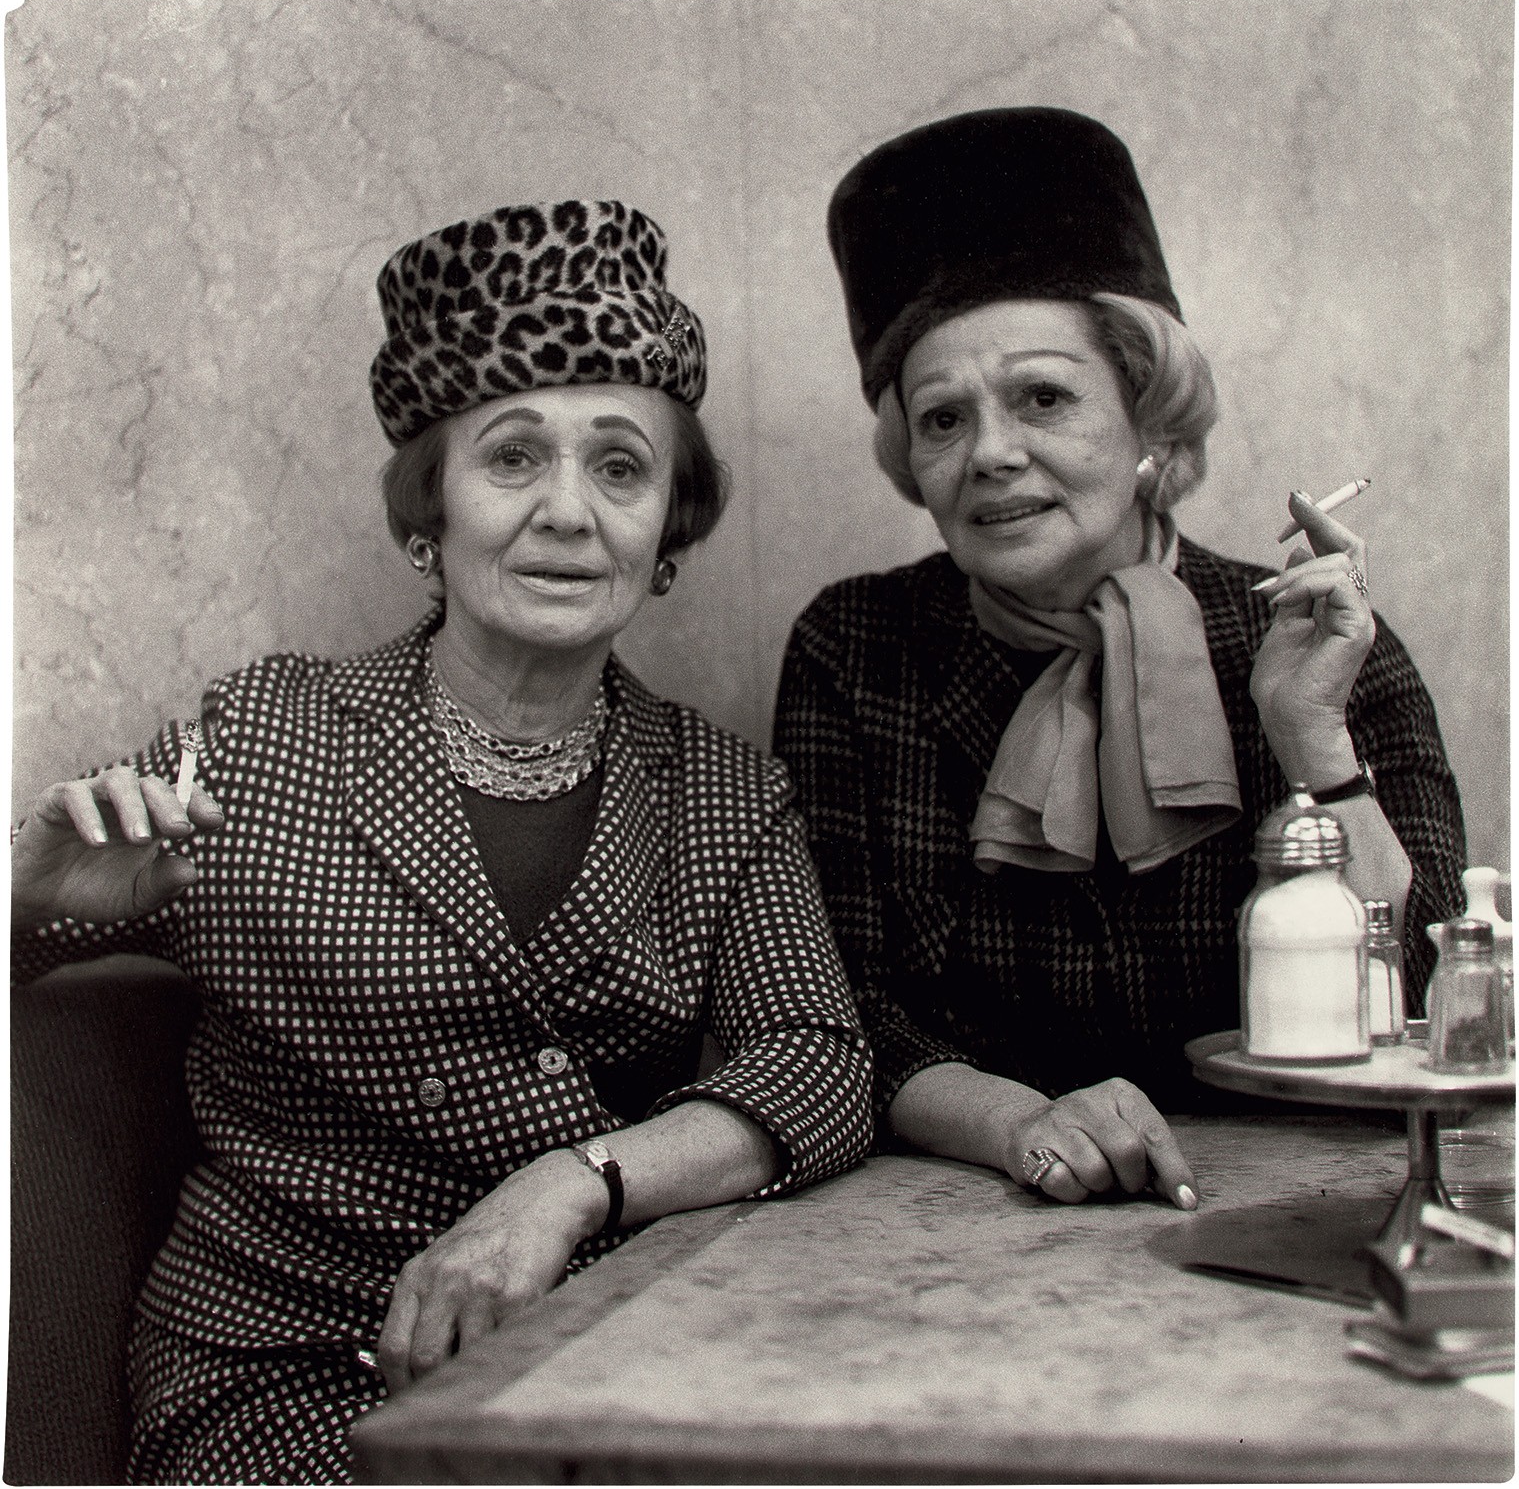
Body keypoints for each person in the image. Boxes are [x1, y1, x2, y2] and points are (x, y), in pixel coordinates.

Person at [12, 199, 873, 1484]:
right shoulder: (260, 736)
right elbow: (27, 943)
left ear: (666, 531)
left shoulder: (721, 791)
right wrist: (28, 898)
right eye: (513, 458)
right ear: (431, 511)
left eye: (621, 467)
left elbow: (818, 1065)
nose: (570, 513)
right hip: (283, 1371)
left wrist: (573, 1186)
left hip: (584, 1361)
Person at [773, 109, 1465, 1213]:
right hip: (970, 1207)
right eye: (942, 418)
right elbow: (838, 1007)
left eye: (1043, 398)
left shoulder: (1311, 637)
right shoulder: (858, 650)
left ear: (1147, 417)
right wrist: (1020, 1124)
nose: (991, 453)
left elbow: (1432, 1010)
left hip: (1296, 1203)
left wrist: (1310, 738)